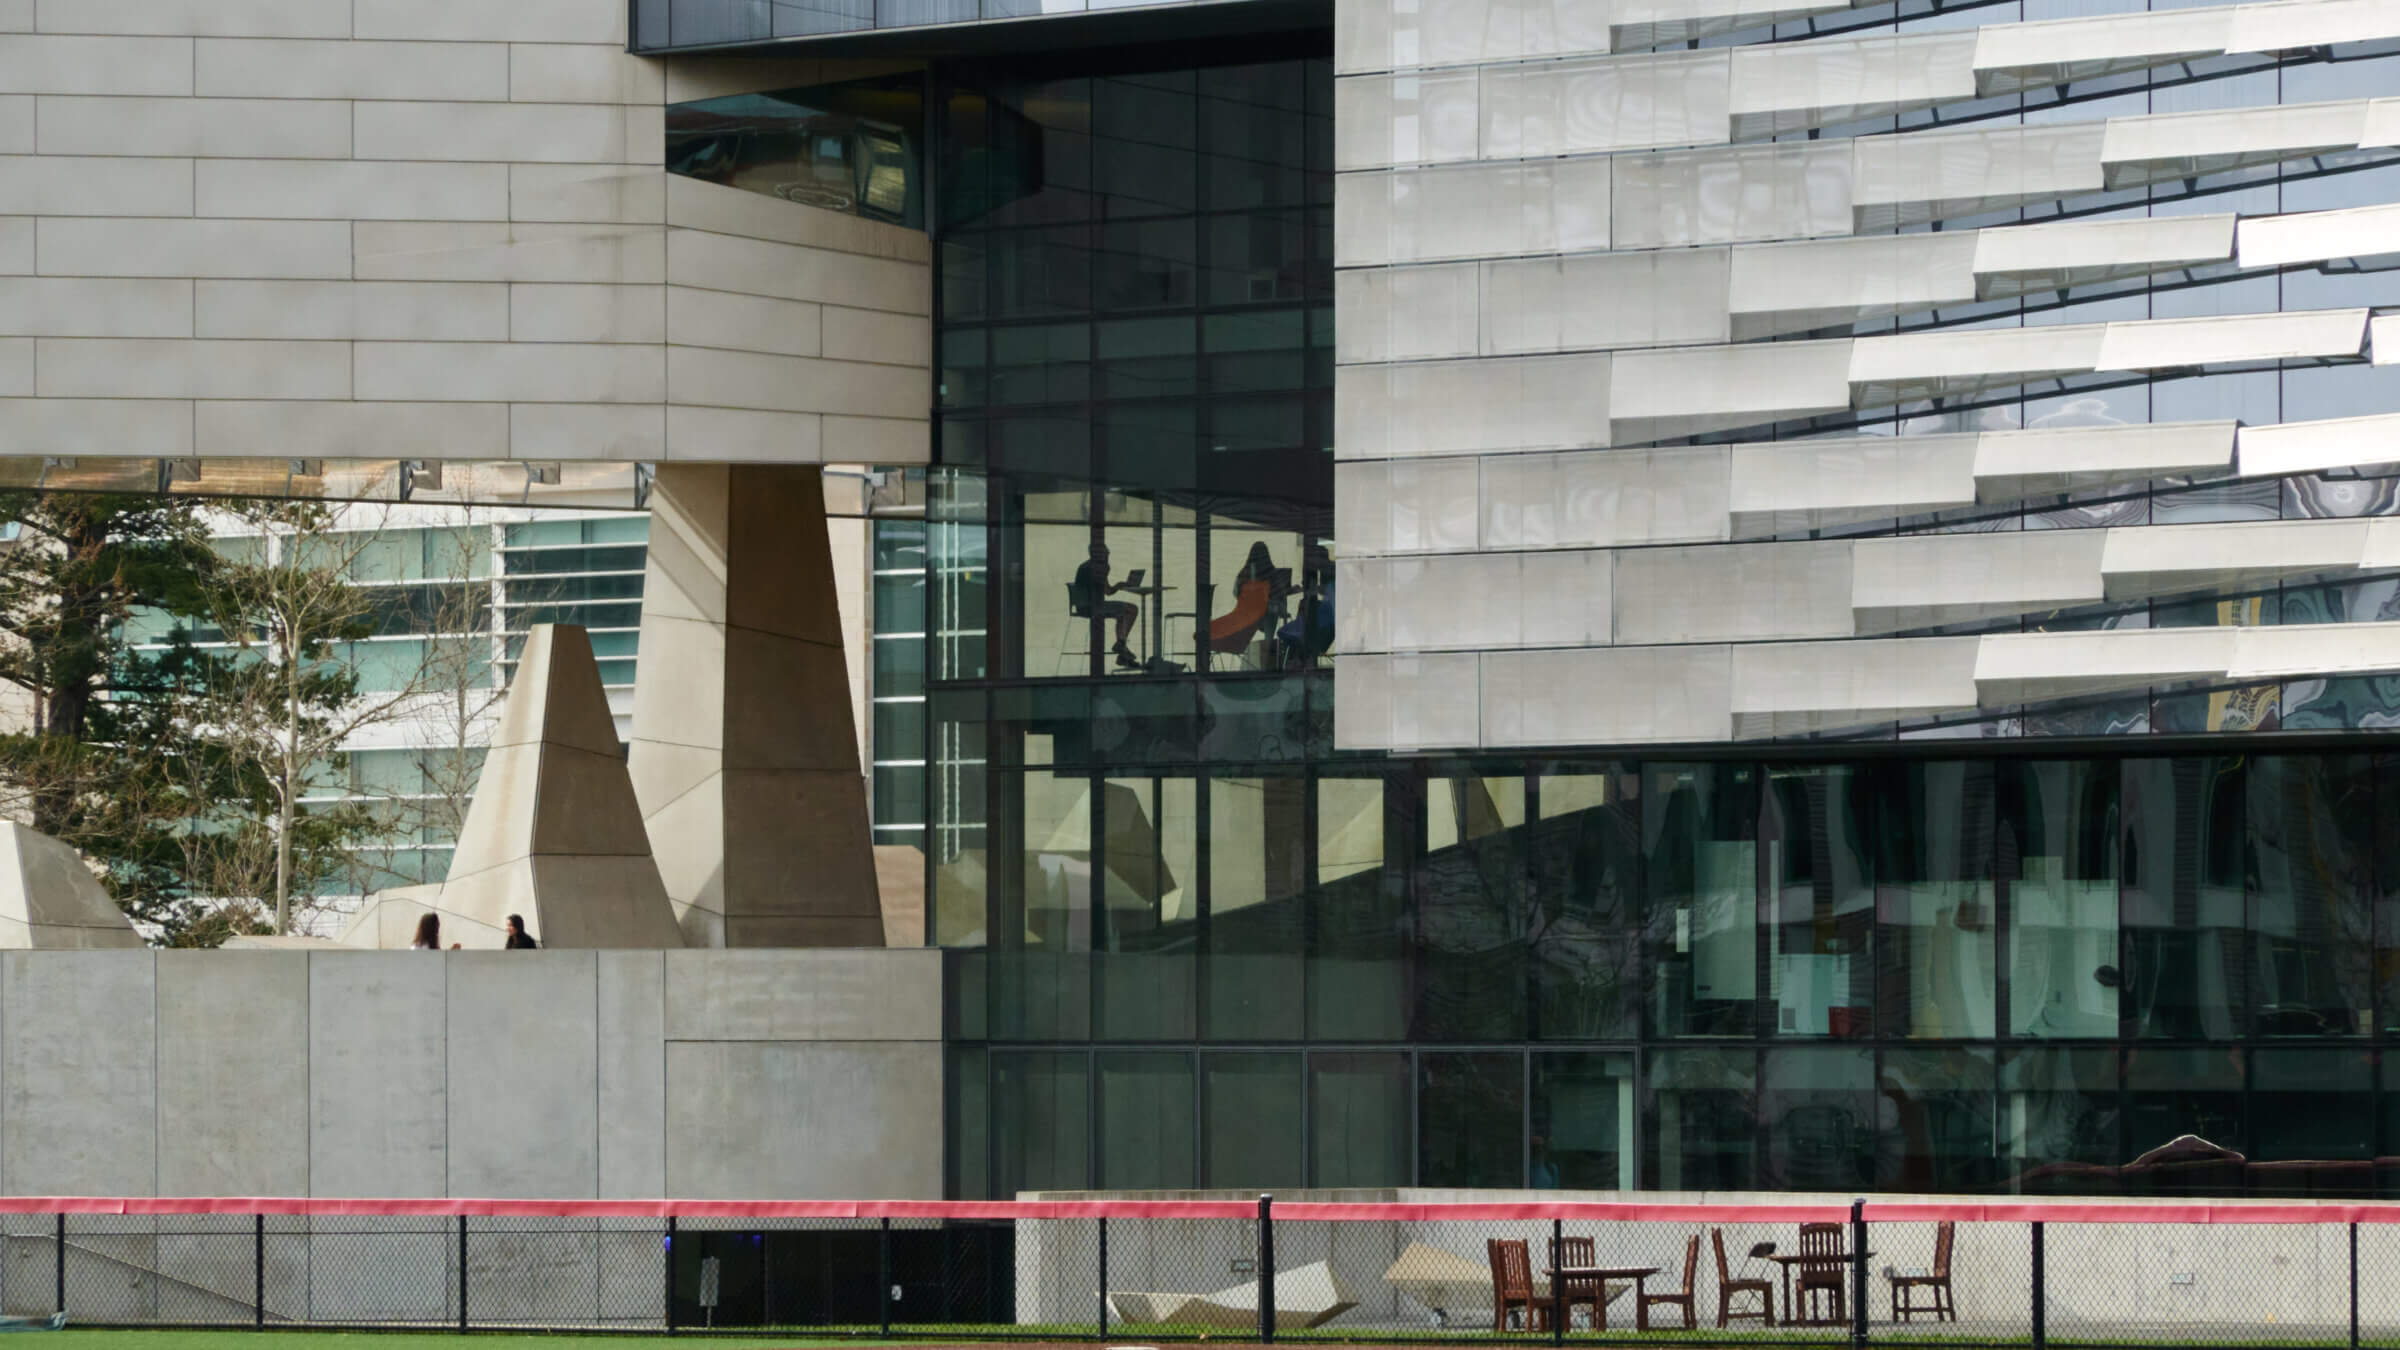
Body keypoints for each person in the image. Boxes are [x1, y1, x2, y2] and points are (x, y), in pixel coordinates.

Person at [1070, 542, 1143, 669]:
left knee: (1123, 613)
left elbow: (1108, 591)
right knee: (1132, 609)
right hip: (1093, 607)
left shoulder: (1087, 566)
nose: (1108, 553)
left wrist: (1119, 585)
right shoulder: (1099, 567)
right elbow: (1106, 591)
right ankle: (1121, 646)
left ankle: (1122, 649)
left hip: (1085, 606)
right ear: (1097, 554)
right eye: (1105, 551)